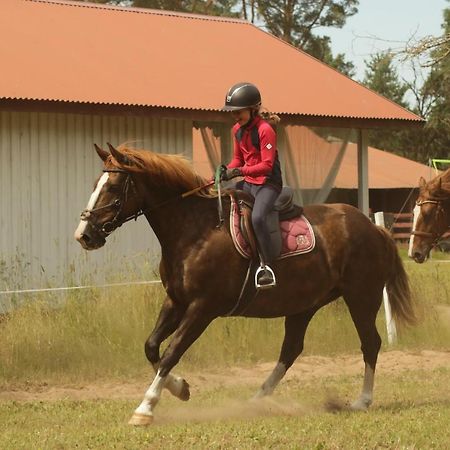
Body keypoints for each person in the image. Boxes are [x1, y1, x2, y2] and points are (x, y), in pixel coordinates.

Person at [221, 82, 283, 287]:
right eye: (233, 112)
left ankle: (267, 267)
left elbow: (266, 166)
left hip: (268, 184)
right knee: (222, 201)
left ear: (253, 108)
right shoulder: (236, 130)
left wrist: (238, 172)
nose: (235, 116)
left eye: (239, 112)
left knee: (257, 218)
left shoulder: (266, 130)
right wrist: (223, 171)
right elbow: (237, 160)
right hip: (248, 182)